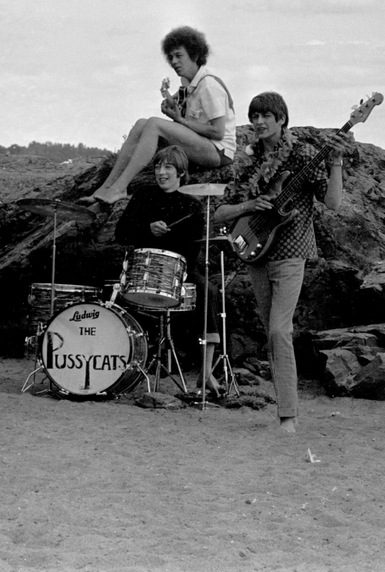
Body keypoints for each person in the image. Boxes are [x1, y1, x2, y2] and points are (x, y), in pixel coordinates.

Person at [213, 92, 351, 433]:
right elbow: (219, 213)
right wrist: (249, 206)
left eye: (266, 117)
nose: (259, 123)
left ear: (282, 120)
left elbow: (332, 202)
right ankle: (283, 411)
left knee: (280, 330)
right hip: (257, 254)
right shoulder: (248, 159)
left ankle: (289, 417)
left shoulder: (304, 153)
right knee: (272, 336)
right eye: (254, 116)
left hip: (292, 251)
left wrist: (335, 162)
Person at [112, 145, 222, 395]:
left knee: (210, 291)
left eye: (168, 167)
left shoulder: (192, 206)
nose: (161, 172)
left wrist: (169, 245)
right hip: (141, 267)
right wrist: (147, 230)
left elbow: (192, 254)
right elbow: (120, 234)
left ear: (181, 172)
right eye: (157, 167)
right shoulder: (142, 195)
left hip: (177, 271)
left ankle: (205, 373)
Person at [84, 26, 236, 205]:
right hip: (202, 144)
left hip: (218, 152)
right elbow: (187, 117)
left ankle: (120, 188)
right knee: (142, 124)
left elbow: (217, 132)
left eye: (179, 55)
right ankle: (106, 187)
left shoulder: (208, 86)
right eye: (171, 57)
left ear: (194, 55)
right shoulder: (188, 83)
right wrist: (172, 107)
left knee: (154, 124)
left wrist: (181, 121)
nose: (174, 61)